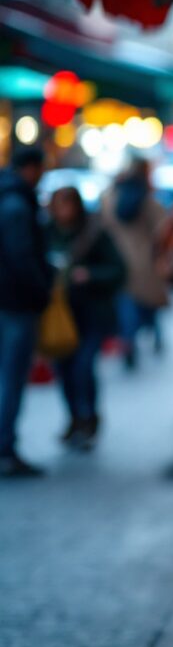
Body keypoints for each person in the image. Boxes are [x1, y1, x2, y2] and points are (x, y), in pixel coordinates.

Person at [45, 186, 127, 450]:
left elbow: (119, 270)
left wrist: (90, 275)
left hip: (90, 313)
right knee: (63, 369)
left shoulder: (94, 233)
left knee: (82, 367)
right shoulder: (47, 232)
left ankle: (89, 418)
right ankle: (74, 418)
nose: (64, 212)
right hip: (61, 316)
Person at [0, 150, 54, 477]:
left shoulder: (9, 198)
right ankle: (5, 447)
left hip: (9, 301)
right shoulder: (17, 205)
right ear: (31, 168)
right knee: (12, 378)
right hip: (16, 303)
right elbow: (22, 257)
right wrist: (41, 290)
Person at [102, 158, 169, 369]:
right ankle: (155, 337)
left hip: (117, 260)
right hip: (144, 261)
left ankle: (128, 344)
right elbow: (163, 228)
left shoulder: (108, 198)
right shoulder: (148, 201)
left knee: (127, 304)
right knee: (150, 303)